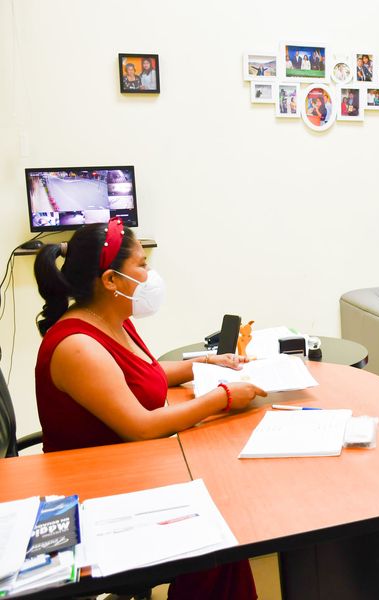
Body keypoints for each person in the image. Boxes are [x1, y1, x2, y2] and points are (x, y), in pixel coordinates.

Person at [33, 218, 264, 599]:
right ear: (111, 280)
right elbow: (140, 427)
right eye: (142, 265)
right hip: (95, 496)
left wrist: (206, 363)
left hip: (127, 470)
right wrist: (221, 397)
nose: (150, 274)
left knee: (223, 514)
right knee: (218, 536)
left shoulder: (111, 320)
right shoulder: (78, 346)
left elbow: (143, 374)